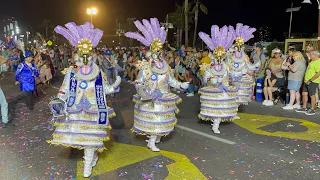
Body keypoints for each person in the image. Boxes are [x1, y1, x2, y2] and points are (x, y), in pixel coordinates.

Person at [47, 22, 121, 178]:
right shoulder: (71, 73)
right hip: (76, 110)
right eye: (82, 56)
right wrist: (60, 100)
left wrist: (114, 86)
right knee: (81, 139)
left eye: (88, 56)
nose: (85, 59)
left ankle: (87, 164)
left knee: (90, 140)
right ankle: (92, 157)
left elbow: (105, 89)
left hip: (93, 110)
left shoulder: (98, 72)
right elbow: (64, 89)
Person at [125, 18, 189, 152]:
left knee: (161, 119)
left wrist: (181, 85)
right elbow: (139, 81)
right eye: (155, 53)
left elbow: (170, 80)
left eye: (160, 52)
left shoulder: (165, 67)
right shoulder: (146, 67)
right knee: (154, 119)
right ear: (151, 54)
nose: (158, 55)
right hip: (150, 98)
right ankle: (152, 141)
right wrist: (141, 89)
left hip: (163, 96)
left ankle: (156, 137)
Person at [198, 25, 239, 134]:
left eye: (221, 57)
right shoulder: (210, 66)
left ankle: (216, 124)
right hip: (213, 89)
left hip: (223, 89)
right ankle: (214, 122)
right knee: (214, 108)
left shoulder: (226, 66)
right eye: (217, 57)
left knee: (221, 108)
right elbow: (206, 77)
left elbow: (231, 75)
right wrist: (212, 80)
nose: (219, 59)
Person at [296, 50, 320, 115]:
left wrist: (310, 80)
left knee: (312, 95)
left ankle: (312, 109)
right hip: (306, 81)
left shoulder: (318, 62)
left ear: (315, 55)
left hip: (313, 82)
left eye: (311, 54)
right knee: (304, 94)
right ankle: (304, 107)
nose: (309, 55)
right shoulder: (312, 61)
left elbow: (318, 73)